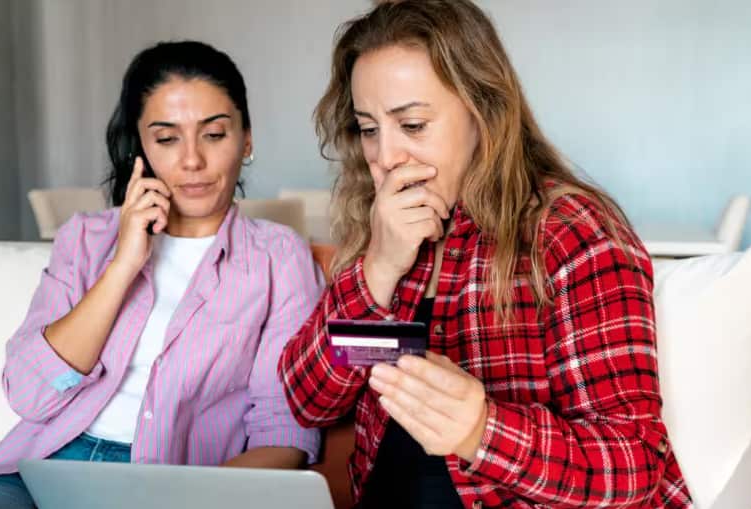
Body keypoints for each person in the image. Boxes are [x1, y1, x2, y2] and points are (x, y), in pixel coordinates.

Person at [278, 1, 693, 508]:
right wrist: (378, 268)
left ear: (483, 113)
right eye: (369, 128)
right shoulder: (383, 228)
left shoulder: (569, 234)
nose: (384, 159)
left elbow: (633, 465)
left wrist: (482, 428)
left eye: (411, 126)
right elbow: (309, 402)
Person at [0, 40, 323, 509]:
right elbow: (29, 394)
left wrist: (190, 497)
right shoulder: (84, 237)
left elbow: (284, 429)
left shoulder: (278, 257)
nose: (192, 160)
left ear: (247, 139)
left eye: (214, 134)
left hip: (173, 484)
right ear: (139, 146)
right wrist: (123, 264)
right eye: (166, 138)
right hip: (40, 470)